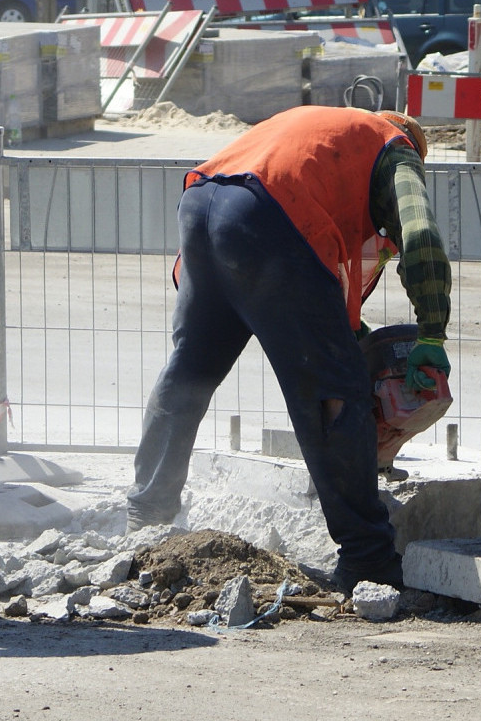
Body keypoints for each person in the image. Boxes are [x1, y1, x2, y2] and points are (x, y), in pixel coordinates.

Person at [127, 106, 453, 595]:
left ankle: (146, 522)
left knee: (188, 374)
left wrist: (349, 338)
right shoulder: (396, 149)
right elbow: (420, 235)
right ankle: (368, 558)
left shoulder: (324, 134)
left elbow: (317, 297)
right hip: (273, 215)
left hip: (203, 207)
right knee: (332, 395)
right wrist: (431, 332)